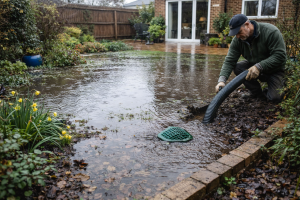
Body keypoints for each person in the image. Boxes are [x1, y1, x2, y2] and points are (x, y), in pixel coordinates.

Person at [215, 14, 287, 103]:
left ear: (247, 24)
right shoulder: (238, 40)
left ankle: (275, 87)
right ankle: (257, 93)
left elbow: (280, 56)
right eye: (235, 34)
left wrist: (259, 66)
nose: (237, 36)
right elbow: (230, 60)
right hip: (255, 67)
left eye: (239, 32)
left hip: (275, 70)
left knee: (275, 98)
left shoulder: (270, 32)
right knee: (238, 67)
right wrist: (221, 81)